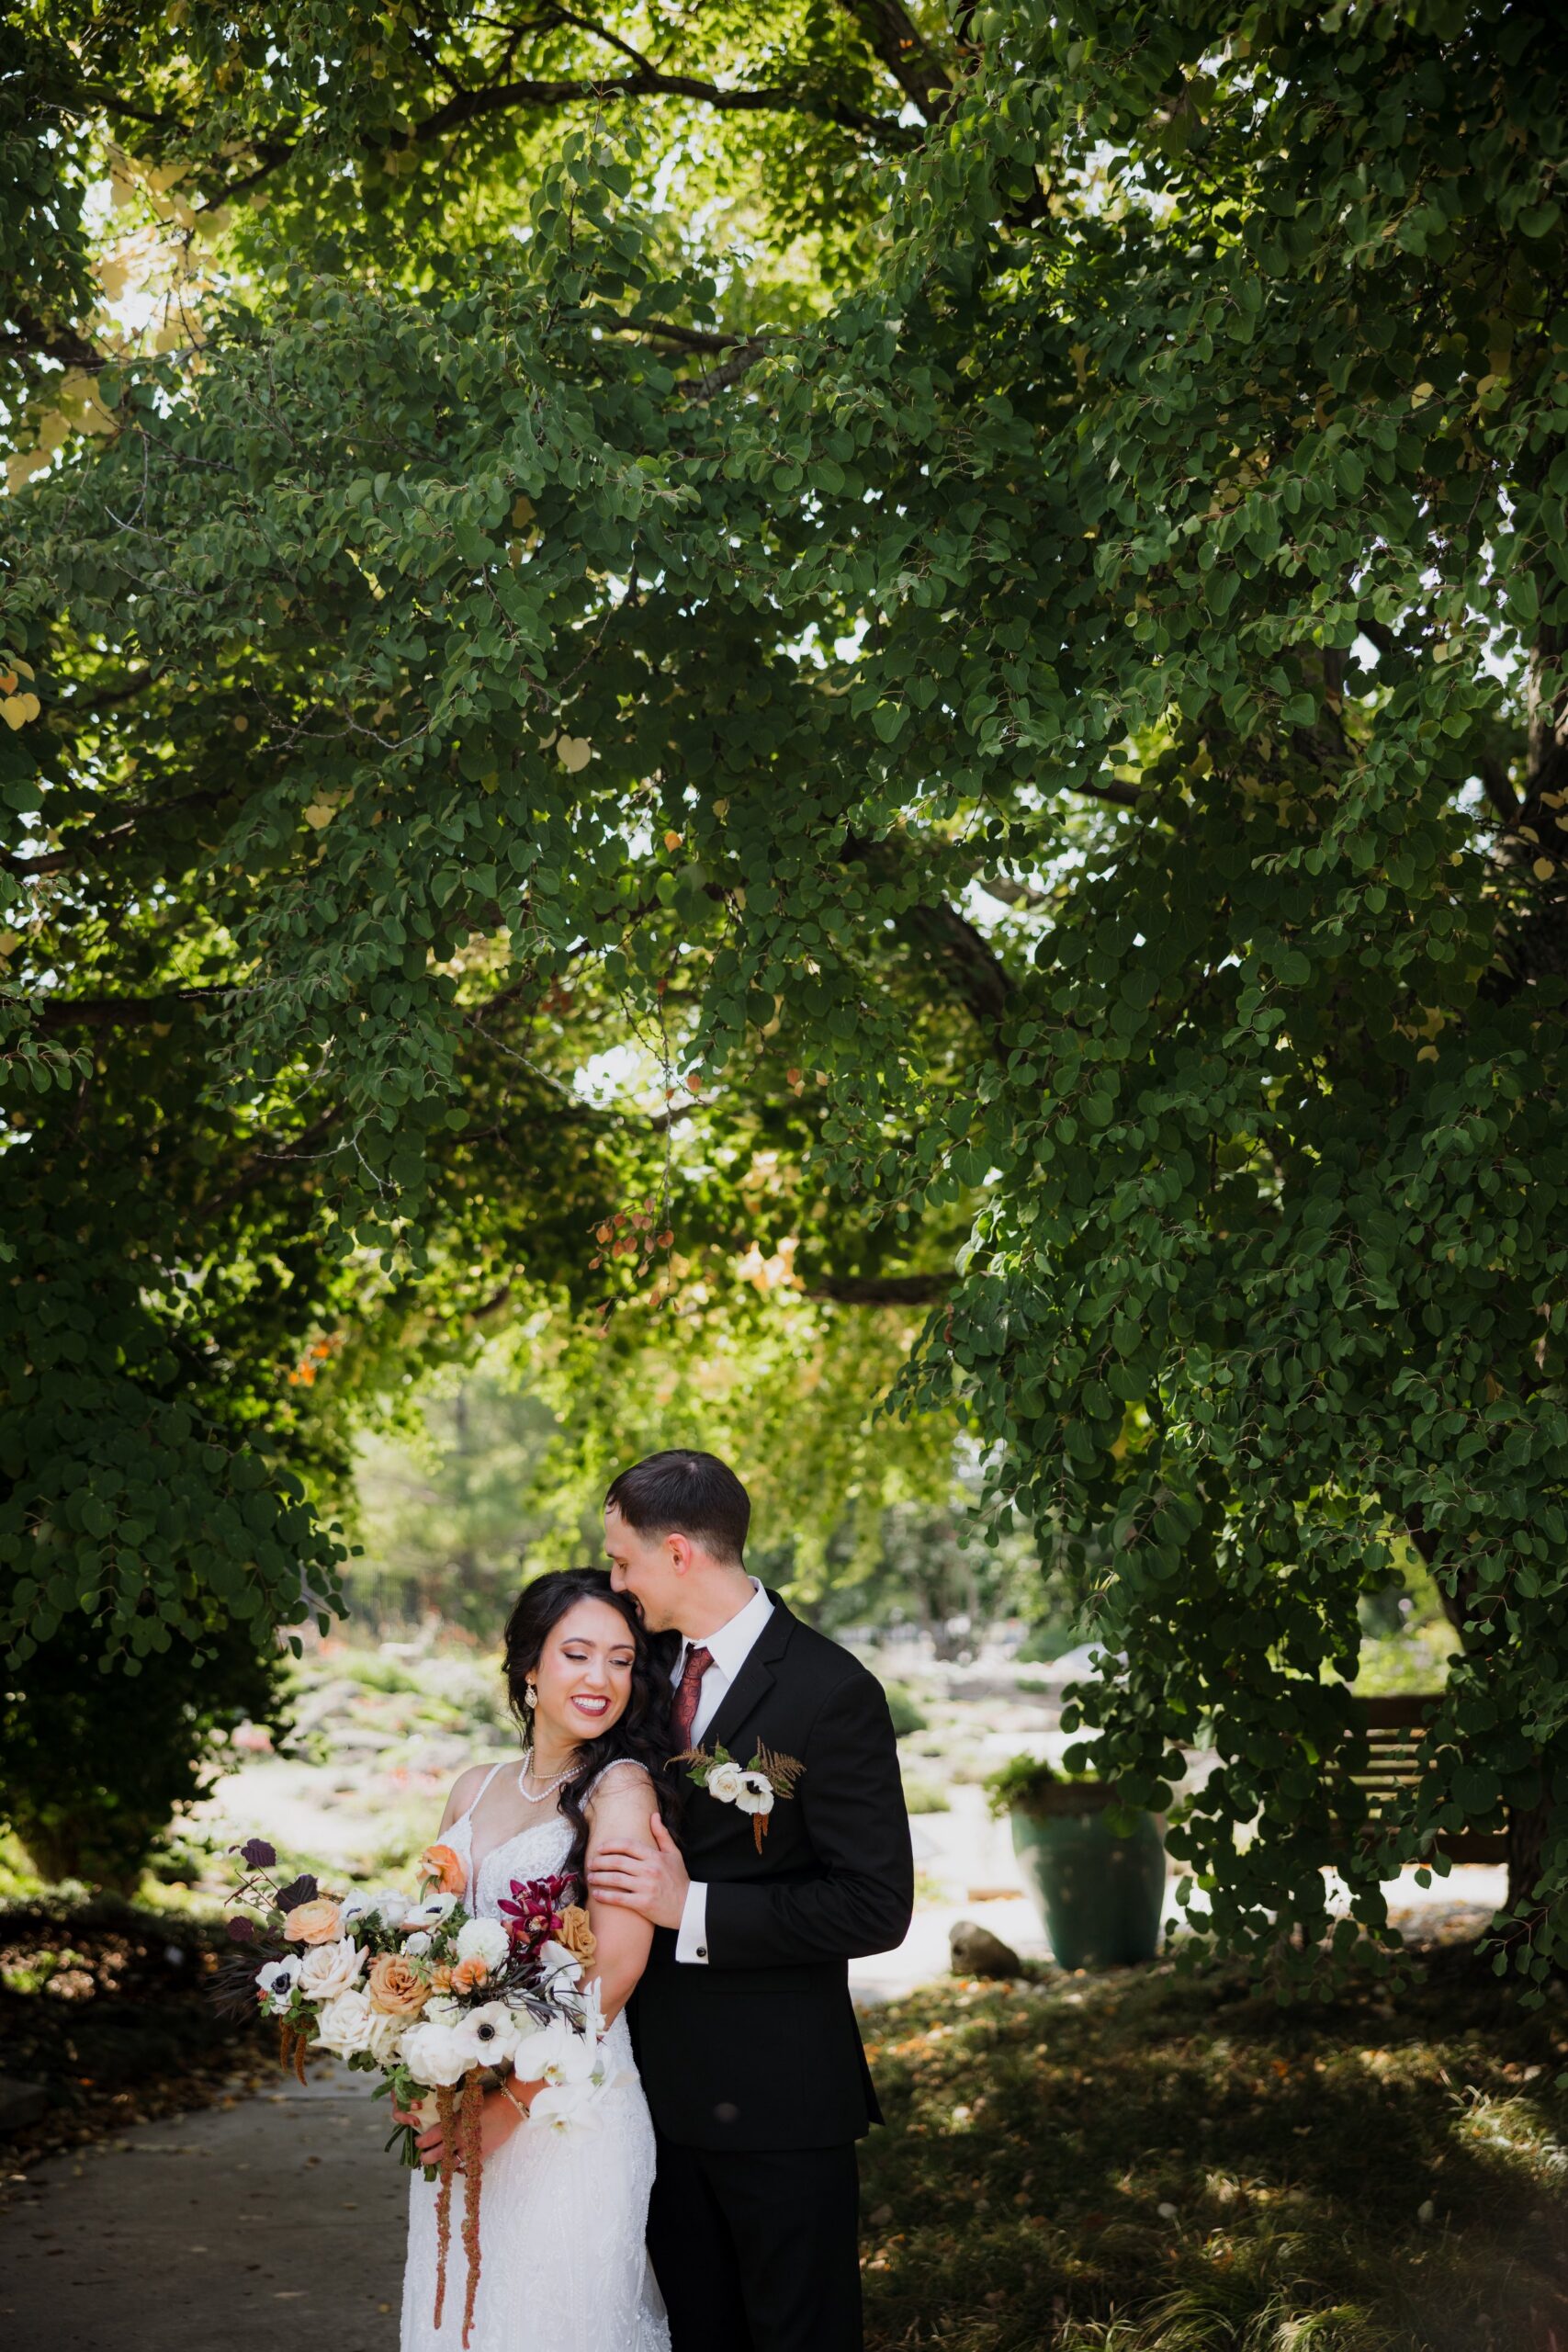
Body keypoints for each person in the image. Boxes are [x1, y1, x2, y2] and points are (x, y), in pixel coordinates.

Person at [591, 1450, 914, 2352]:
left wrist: (687, 1910)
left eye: (624, 1560)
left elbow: (873, 1904)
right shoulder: (637, 1669)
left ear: (682, 1552)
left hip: (779, 2099)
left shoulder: (829, 1690)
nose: (615, 1580)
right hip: (645, 2089)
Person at [400, 1566, 678, 2352]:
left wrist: (505, 2108)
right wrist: (418, 2073)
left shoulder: (618, 1790)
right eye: (578, 1654)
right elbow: (427, 1951)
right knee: (461, 2319)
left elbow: (615, 1970)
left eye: (622, 1660)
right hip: (465, 2102)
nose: (601, 1679)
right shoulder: (472, 1788)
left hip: (565, 2109)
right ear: (529, 1665)